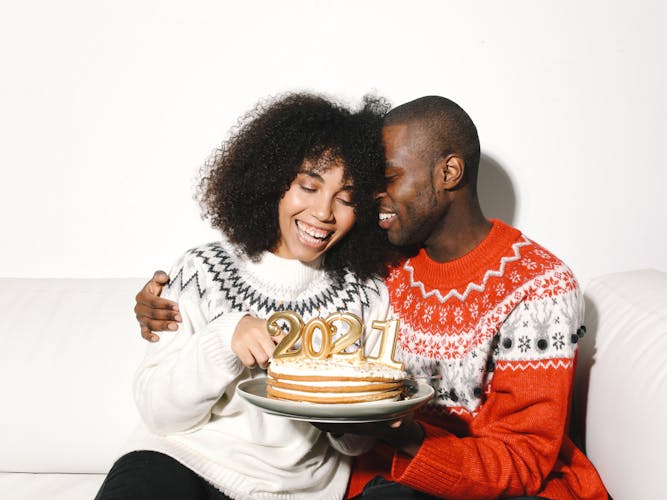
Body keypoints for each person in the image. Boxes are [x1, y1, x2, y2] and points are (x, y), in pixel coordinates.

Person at [135, 96, 608, 499]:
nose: (371, 201)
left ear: (449, 172)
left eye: (385, 181)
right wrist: (167, 303)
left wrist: (400, 437)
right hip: (374, 472)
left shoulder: (538, 285)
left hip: (446, 478)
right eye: (370, 187)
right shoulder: (385, 265)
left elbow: (522, 459)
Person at [97, 92, 399, 500]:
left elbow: (356, 445)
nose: (324, 212)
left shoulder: (366, 296)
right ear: (275, 180)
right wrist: (225, 337)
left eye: (345, 199)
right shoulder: (203, 270)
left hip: (290, 488)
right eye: (309, 187)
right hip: (178, 460)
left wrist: (339, 405)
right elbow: (159, 413)